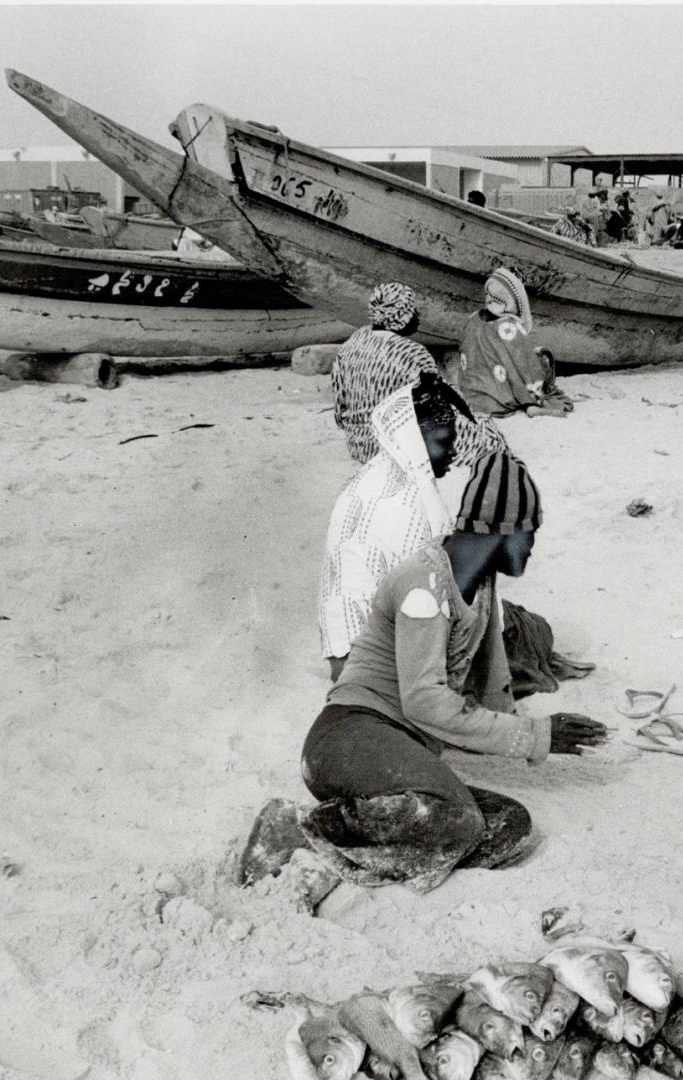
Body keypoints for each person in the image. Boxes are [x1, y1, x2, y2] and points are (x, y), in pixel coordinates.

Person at [249, 452, 610, 896]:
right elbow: (425, 701)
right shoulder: (423, 584)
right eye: (528, 533)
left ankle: (361, 847)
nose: (531, 546)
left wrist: (532, 733)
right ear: (500, 531)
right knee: (457, 820)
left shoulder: (479, 583)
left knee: (509, 825)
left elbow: (490, 680)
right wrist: (537, 735)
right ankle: (296, 827)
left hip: (396, 747)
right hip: (349, 737)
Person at [319, 374, 468, 680]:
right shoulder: (403, 503)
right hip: (373, 660)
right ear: (415, 442)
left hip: (353, 647)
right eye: (444, 443)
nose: (453, 453)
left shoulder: (383, 472)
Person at [333, 282, 505, 466]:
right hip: (393, 448)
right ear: (401, 315)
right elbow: (440, 405)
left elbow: (339, 411)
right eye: (412, 310)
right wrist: (473, 420)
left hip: (360, 445)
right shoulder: (412, 353)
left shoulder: (353, 342)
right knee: (488, 439)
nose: (417, 316)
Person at [452, 268, 570, 419]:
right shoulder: (509, 325)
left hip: (470, 398)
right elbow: (523, 363)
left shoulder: (473, 318)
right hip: (497, 401)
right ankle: (530, 405)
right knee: (539, 356)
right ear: (511, 298)